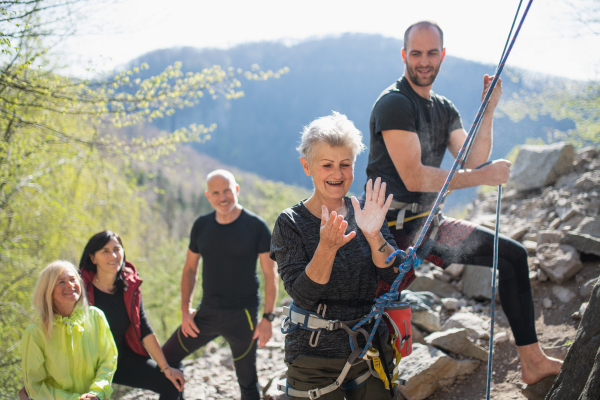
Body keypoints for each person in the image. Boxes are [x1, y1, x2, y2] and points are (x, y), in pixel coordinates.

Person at [365, 20, 562, 384]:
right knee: (369, 320)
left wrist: (488, 110)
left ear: (443, 55)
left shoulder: (443, 107)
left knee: (514, 256)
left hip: (427, 228)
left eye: (432, 53)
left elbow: (473, 158)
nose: (424, 61)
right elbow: (415, 176)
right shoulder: (395, 104)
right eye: (416, 53)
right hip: (387, 234)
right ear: (404, 55)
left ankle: (532, 362)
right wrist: (480, 179)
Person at [270, 112, 413, 399]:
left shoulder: (367, 212)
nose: (337, 174)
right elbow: (303, 295)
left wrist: (374, 236)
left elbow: (395, 278)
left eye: (345, 165)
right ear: (307, 166)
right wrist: (326, 247)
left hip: (369, 347)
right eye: (327, 165)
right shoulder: (291, 223)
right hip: (313, 355)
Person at [161, 169, 278, 400]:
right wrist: (185, 310)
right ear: (208, 196)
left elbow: (270, 273)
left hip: (242, 317)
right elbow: (190, 269)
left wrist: (267, 318)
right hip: (207, 313)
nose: (222, 197)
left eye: (227, 191)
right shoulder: (201, 226)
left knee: (247, 382)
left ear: (236, 190)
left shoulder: (256, 226)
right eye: (216, 193)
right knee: (166, 359)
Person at [79, 231, 185, 400]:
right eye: (105, 251)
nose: (113, 255)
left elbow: (143, 328)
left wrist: (165, 368)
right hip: (89, 366)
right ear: (93, 258)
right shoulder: (80, 288)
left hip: (120, 361)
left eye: (117, 249)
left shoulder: (129, 287)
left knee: (172, 383)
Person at [20, 261, 117, 400]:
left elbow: (109, 360)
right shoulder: (34, 333)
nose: (70, 285)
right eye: (61, 282)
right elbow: (35, 386)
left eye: (73, 279)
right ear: (48, 290)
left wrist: (97, 393)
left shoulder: (96, 317)